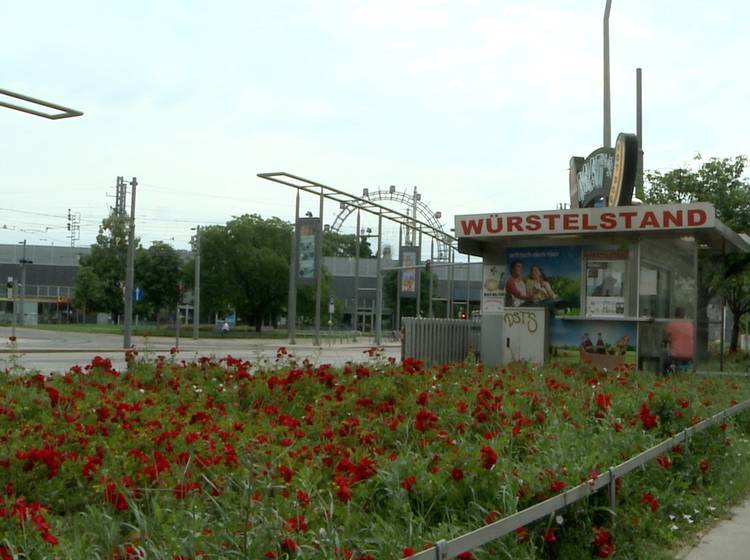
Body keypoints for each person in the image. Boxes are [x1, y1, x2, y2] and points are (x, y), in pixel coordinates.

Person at [663, 308, 694, 374]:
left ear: (675, 315)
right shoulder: (690, 324)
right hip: (689, 354)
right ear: (684, 315)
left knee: (664, 358)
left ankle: (665, 377)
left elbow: (665, 338)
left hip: (675, 354)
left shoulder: (672, 324)